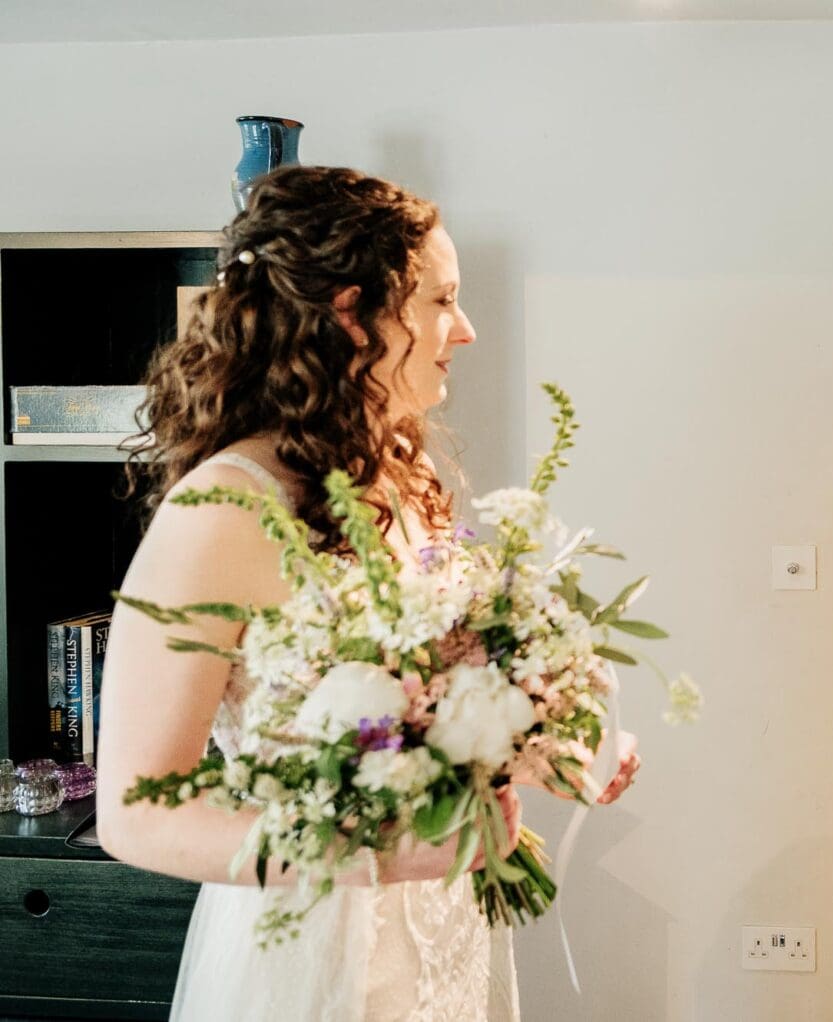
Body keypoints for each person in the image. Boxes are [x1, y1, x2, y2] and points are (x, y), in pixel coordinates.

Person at [95, 165, 639, 1022]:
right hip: (309, 957)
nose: (466, 329)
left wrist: (537, 739)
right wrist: (373, 854)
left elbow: (437, 687)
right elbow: (134, 815)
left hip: (442, 934)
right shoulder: (224, 509)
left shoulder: (400, 469)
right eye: (441, 301)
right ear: (354, 314)